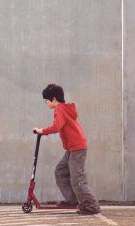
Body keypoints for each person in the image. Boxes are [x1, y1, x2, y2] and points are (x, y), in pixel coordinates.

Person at [32, 83, 101, 215]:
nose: (45, 103)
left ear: (53, 99)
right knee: (60, 172)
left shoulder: (60, 109)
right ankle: (72, 199)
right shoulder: (64, 108)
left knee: (77, 179)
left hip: (77, 148)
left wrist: (41, 130)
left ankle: (91, 206)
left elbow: (57, 126)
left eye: (46, 101)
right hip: (71, 149)